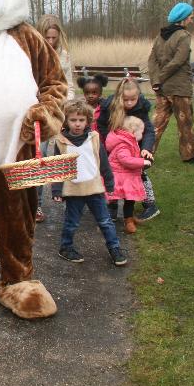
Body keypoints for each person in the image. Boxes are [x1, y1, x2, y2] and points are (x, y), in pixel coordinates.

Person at [51, 100, 127, 266]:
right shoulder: (60, 141)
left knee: (105, 221)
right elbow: (57, 167)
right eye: (73, 120)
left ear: (87, 121)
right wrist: (57, 190)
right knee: (71, 222)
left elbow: (103, 161)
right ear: (65, 121)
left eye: (81, 120)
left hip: (94, 189)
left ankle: (114, 248)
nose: (77, 124)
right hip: (74, 190)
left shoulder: (94, 138)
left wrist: (109, 182)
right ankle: (66, 247)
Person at [147, 2, 194, 163]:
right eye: (191, 18)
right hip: (179, 88)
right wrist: (158, 79)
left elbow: (151, 61)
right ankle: (189, 155)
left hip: (162, 88)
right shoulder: (184, 36)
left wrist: (155, 81)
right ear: (183, 18)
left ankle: (144, 153)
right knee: (185, 122)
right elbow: (178, 61)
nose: (191, 21)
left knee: (156, 123)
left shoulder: (160, 36)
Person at [97, 78, 159, 222]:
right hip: (113, 146)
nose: (130, 103)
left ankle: (150, 204)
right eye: (126, 99)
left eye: (133, 99)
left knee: (139, 172)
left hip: (135, 146)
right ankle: (111, 207)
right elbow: (101, 125)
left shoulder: (141, 107)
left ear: (138, 96)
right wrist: (111, 142)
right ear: (119, 96)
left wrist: (146, 148)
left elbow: (148, 129)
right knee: (111, 174)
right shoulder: (109, 106)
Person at [33, 15, 75, 224]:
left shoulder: (64, 57)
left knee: (56, 154)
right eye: (47, 37)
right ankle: (35, 204)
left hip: (57, 113)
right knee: (36, 156)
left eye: (54, 38)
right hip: (36, 112)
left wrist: (69, 107)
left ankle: (68, 194)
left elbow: (70, 86)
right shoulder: (31, 54)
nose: (50, 42)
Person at [105, 116, 151, 235]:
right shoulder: (123, 145)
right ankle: (111, 218)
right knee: (119, 198)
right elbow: (126, 160)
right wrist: (142, 162)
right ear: (132, 131)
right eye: (141, 131)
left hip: (127, 176)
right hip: (120, 176)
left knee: (130, 199)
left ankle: (129, 218)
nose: (143, 134)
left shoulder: (129, 142)